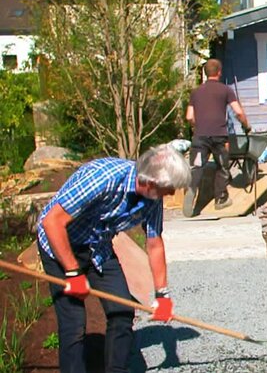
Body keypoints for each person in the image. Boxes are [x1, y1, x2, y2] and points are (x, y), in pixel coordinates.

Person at [36, 144, 190, 373]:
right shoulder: (103, 178)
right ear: (150, 181)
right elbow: (52, 222)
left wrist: (162, 295)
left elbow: (154, 243)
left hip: (99, 248)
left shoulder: (152, 198)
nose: (170, 195)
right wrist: (72, 272)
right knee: (74, 324)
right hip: (60, 245)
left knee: (122, 312)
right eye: (169, 189)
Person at [184, 59, 251, 216]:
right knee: (222, 167)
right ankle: (220, 199)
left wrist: (198, 124)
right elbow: (238, 112)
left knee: (197, 167)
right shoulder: (225, 90)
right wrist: (246, 125)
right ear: (219, 72)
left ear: (205, 73)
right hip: (219, 137)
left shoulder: (196, 92)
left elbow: (189, 116)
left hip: (200, 136)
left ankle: (191, 190)